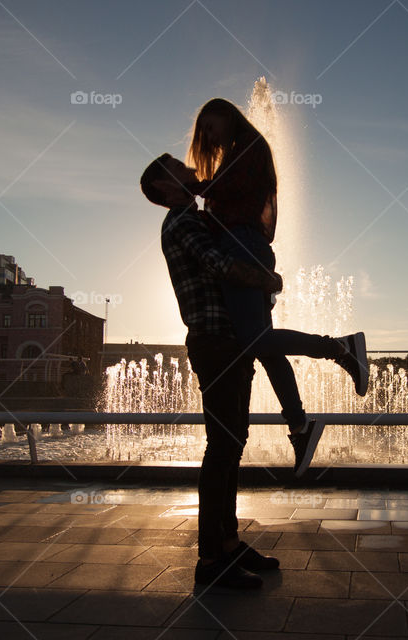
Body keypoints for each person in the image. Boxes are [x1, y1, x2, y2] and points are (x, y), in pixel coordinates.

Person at [186, 98, 368, 473]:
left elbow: (233, 190)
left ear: (227, 115)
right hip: (244, 247)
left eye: (210, 127)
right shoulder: (239, 152)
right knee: (266, 346)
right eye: (205, 132)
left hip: (242, 248)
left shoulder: (248, 147)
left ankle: (340, 348)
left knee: (254, 342)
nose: (210, 137)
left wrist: (200, 186)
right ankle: (300, 425)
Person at [141, 154, 284, 589]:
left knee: (232, 444)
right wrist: (266, 279)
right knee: (222, 447)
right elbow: (217, 264)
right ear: (164, 187)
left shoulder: (195, 216)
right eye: (177, 168)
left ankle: (229, 543)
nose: (189, 168)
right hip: (214, 341)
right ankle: (210, 560)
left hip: (229, 341)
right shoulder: (181, 222)